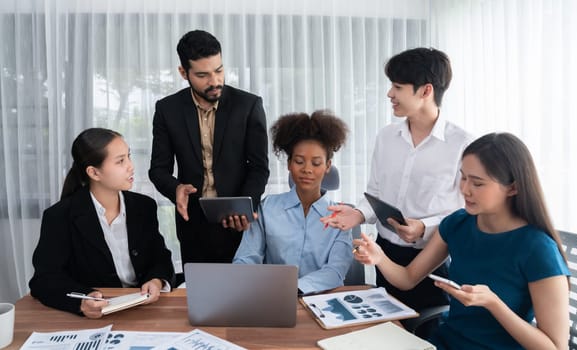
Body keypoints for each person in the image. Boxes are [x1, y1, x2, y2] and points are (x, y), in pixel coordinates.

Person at [353, 132, 570, 349]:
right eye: (463, 177)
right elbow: (408, 278)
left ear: (512, 188)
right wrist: (379, 257)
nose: (464, 189)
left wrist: (493, 303)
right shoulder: (458, 224)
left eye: (477, 183)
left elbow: (555, 347)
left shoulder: (538, 249)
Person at [321, 47, 473, 313]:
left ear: (426, 91)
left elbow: (466, 211)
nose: (389, 94)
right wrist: (357, 214)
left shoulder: (463, 144)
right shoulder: (386, 137)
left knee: (428, 331)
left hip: (433, 258)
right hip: (385, 253)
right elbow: (375, 192)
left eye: (397, 87)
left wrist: (424, 227)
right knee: (388, 330)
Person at [149, 30, 269, 265]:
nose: (214, 81)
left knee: (243, 296)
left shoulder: (249, 105)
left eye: (219, 70)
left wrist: (246, 206)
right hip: (193, 223)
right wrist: (176, 189)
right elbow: (158, 170)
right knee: (199, 297)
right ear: (184, 73)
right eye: (203, 75)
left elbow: (259, 168)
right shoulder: (167, 109)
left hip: (238, 223)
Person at [29, 128, 175, 318]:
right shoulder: (60, 216)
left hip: (144, 309)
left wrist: (156, 280)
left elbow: (160, 258)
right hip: (96, 316)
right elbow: (44, 280)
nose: (131, 166)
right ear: (94, 173)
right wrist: (82, 302)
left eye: (128, 157)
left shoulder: (143, 207)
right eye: (120, 161)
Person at [233, 111, 353, 294]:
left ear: (328, 166)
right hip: (270, 298)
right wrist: (237, 278)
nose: (307, 170)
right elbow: (247, 257)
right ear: (289, 164)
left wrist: (294, 288)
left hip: (321, 303)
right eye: (299, 161)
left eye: (316, 163)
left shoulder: (341, 216)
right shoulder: (267, 208)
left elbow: (335, 271)